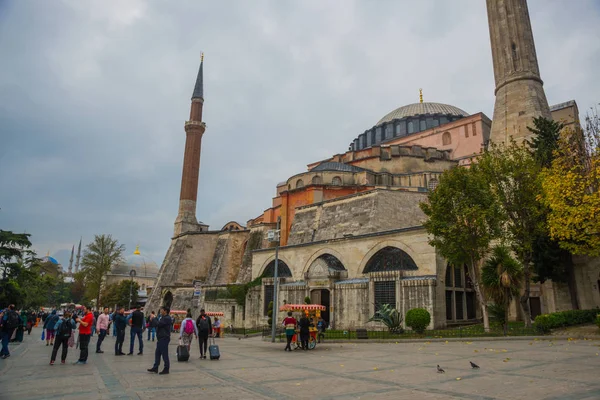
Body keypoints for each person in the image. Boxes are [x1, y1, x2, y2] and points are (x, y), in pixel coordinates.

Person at [147, 306, 172, 375]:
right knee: (157, 353)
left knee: (164, 354)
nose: (160, 311)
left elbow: (158, 324)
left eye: (162, 310)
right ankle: (155, 367)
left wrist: (154, 318)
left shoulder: (167, 318)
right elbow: (156, 324)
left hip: (164, 338)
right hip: (160, 338)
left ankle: (166, 368)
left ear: (165, 311)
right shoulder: (163, 317)